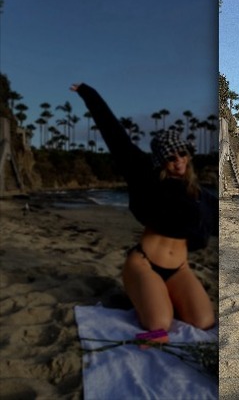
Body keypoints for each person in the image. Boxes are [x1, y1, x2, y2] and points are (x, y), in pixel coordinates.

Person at [71, 83, 217, 332]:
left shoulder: (199, 194)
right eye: (171, 157)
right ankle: (147, 293)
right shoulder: (145, 177)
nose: (178, 160)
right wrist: (88, 93)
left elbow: (226, 217)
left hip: (179, 268)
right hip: (144, 263)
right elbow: (114, 134)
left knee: (204, 322)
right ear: (161, 160)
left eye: (182, 153)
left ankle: (158, 295)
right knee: (159, 324)